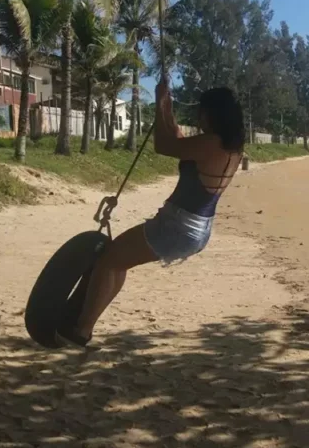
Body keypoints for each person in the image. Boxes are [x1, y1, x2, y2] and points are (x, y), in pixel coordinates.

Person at [58, 78, 246, 347]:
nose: (199, 118)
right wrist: (166, 108)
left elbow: (163, 146)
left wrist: (159, 105)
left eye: (201, 113)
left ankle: (81, 330)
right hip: (195, 228)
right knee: (116, 261)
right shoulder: (228, 147)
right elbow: (179, 141)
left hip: (178, 227)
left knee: (109, 260)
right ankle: (83, 324)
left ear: (212, 114)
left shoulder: (211, 143)